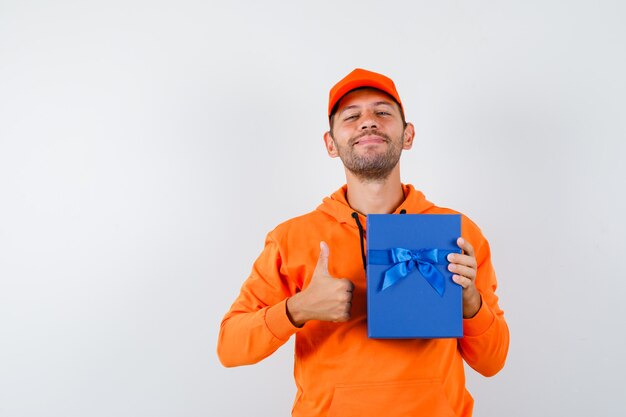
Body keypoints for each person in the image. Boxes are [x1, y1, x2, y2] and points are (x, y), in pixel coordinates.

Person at [217, 68, 509, 417]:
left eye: (382, 112)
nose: (368, 122)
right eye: (352, 116)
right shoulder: (291, 238)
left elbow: (493, 362)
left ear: (408, 135)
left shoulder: (458, 233)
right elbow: (229, 347)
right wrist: (297, 309)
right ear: (330, 144)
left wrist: (470, 304)